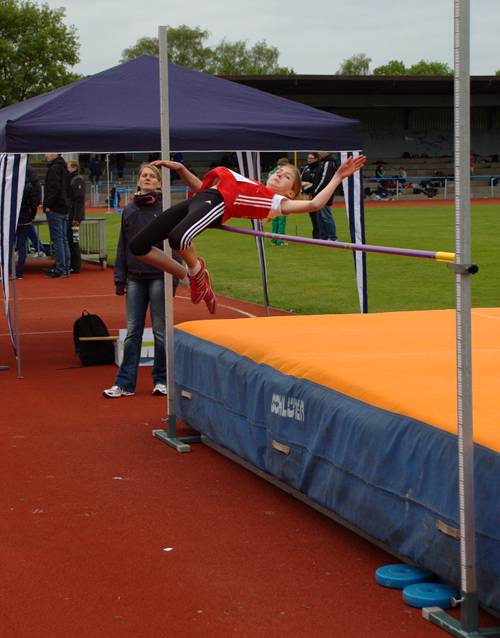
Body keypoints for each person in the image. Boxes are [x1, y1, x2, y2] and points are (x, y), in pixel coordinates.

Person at [128, 155, 366, 315]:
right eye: (278, 171)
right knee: (138, 246)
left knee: (178, 238)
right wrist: (182, 169)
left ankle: (197, 270)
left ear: (291, 192)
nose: (278, 175)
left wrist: (337, 177)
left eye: (285, 177)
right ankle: (192, 276)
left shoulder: (274, 201)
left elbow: (314, 204)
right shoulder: (251, 183)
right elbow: (202, 189)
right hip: (202, 198)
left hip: (217, 204)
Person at [103, 163, 181, 399]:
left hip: (159, 277)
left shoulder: (166, 209)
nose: (147, 179)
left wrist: (174, 278)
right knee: (133, 331)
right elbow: (123, 245)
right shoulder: (129, 210)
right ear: (138, 181)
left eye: (152, 176)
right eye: (143, 175)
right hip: (135, 278)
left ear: (158, 183)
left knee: (160, 331)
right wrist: (120, 278)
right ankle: (125, 383)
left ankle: (162, 380)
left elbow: (175, 245)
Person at [43, 153, 71, 278]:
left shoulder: (54, 168)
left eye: (48, 152)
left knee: (58, 239)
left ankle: (61, 268)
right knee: (63, 239)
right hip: (64, 206)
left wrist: (48, 204)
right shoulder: (64, 167)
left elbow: (53, 189)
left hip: (56, 207)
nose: (45, 155)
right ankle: (65, 267)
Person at [15, 164, 42, 278]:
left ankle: (9, 270)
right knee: (22, 246)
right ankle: (19, 272)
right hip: (25, 217)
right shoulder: (29, 186)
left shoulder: (12, 185)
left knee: (10, 245)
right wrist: (31, 216)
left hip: (14, 218)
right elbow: (33, 203)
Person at [310, 151, 339, 240]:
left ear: (327, 152)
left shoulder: (328, 163)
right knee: (319, 217)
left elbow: (325, 179)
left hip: (324, 193)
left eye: (321, 151)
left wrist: (316, 191)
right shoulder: (322, 162)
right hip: (319, 193)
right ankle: (323, 236)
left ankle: (333, 237)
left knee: (326, 215)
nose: (319, 152)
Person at [66, 160, 86, 274]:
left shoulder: (77, 179)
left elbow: (79, 200)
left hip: (75, 216)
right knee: (71, 239)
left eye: (68, 167)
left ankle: (76, 266)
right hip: (72, 214)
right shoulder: (73, 179)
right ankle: (73, 265)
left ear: (73, 167)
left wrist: (76, 217)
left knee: (73, 240)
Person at [268, 158, 291, 246]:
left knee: (275, 219)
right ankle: (280, 240)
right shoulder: (282, 174)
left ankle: (274, 240)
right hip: (280, 198)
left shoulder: (271, 172)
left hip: (272, 198)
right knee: (281, 220)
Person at [301, 152, 321, 239]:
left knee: (319, 216)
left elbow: (317, 182)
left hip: (317, 195)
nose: (309, 160)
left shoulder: (319, 168)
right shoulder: (306, 168)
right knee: (312, 216)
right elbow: (301, 180)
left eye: (311, 158)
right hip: (308, 195)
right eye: (308, 158)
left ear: (316, 159)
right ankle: (316, 235)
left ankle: (321, 234)